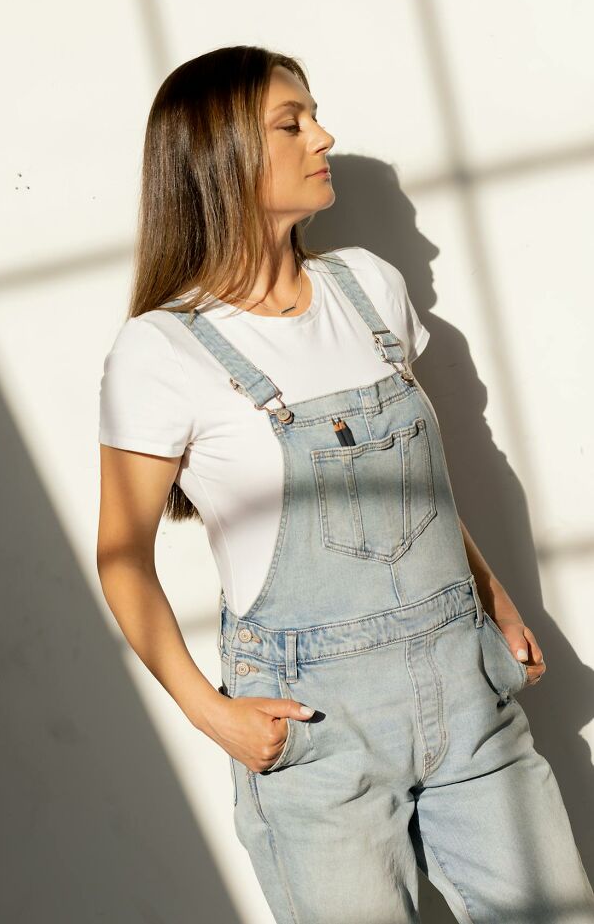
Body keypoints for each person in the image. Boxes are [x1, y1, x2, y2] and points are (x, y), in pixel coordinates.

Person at [96, 45, 594, 923]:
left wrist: (493, 595)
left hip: (466, 687)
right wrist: (212, 714)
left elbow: (414, 485)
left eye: (313, 114)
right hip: (316, 732)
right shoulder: (161, 351)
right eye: (292, 123)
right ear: (221, 158)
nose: (322, 135)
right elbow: (122, 556)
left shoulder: (368, 285)